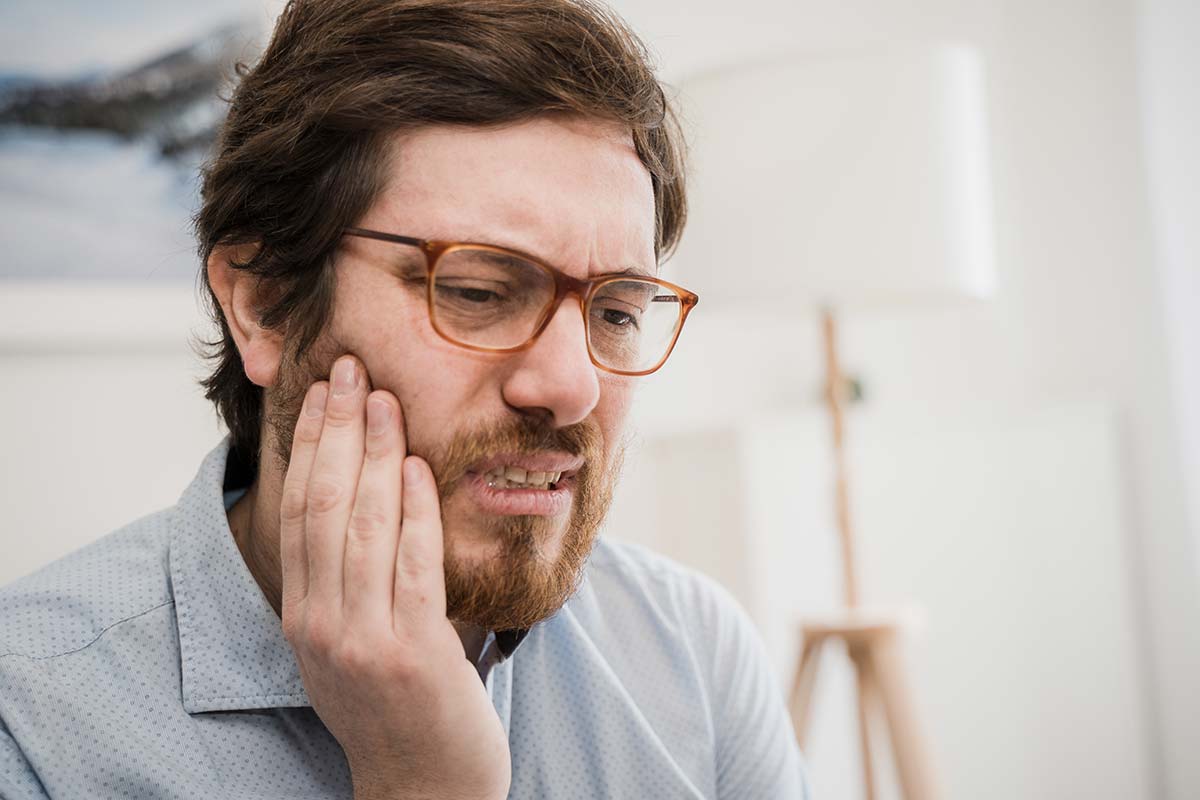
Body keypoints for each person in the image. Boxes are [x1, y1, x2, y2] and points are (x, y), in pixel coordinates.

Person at [0, 1, 809, 797]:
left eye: (618, 312)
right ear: (264, 304)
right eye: (479, 290)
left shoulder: (693, 655)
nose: (571, 386)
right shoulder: (31, 724)